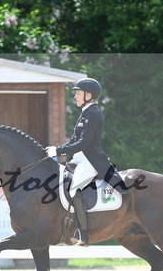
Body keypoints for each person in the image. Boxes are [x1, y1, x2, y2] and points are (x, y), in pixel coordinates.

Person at [46, 78, 127, 247]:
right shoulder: (85, 112)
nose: (75, 96)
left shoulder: (94, 114)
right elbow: (73, 142)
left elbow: (83, 143)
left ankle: (83, 234)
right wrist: (55, 149)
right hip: (79, 158)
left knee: (74, 190)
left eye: (78, 93)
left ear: (88, 95)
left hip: (90, 160)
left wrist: (57, 152)